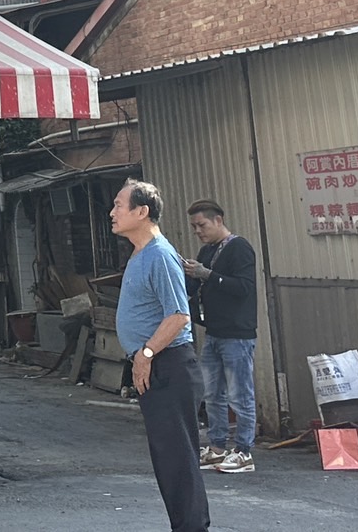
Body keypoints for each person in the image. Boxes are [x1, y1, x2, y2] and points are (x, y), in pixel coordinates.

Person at [111, 180, 210, 532]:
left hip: (169, 365)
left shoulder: (159, 254)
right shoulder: (140, 253)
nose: (113, 212)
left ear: (142, 211)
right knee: (167, 456)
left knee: (177, 457)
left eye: (119, 205)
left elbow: (179, 315)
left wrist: (147, 352)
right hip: (156, 366)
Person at [185, 199, 258, 475]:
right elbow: (196, 285)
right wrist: (190, 273)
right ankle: (217, 448)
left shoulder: (239, 247)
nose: (198, 231)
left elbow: (244, 287)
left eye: (201, 225)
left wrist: (208, 275)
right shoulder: (206, 250)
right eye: (194, 227)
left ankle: (244, 451)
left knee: (240, 394)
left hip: (237, 334)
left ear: (218, 220)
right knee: (212, 393)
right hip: (214, 332)